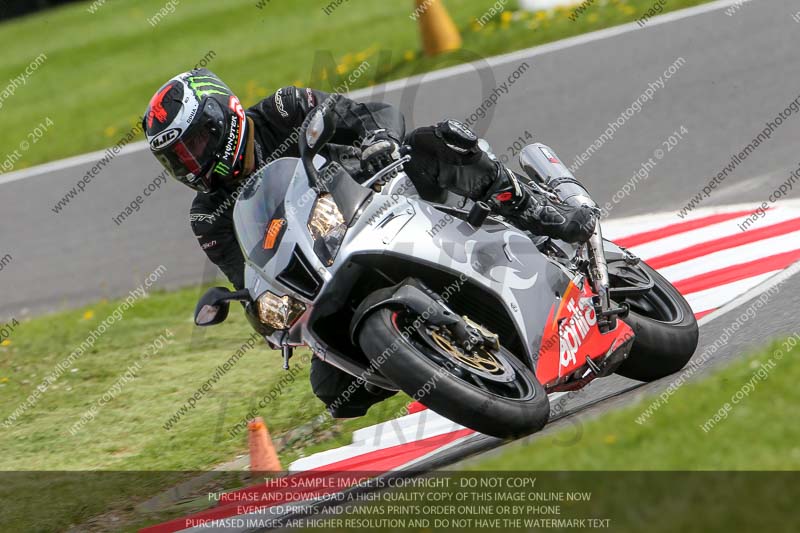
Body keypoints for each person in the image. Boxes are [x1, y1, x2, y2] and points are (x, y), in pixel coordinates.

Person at [143, 68, 598, 417]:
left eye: (195, 143)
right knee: (331, 388)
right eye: (176, 158)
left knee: (434, 142)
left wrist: (377, 141)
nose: (190, 162)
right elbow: (246, 274)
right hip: (330, 262)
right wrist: (263, 311)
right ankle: (430, 361)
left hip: (386, 195)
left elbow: (367, 115)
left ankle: (543, 211)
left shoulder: (282, 109)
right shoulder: (207, 214)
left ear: (226, 116)